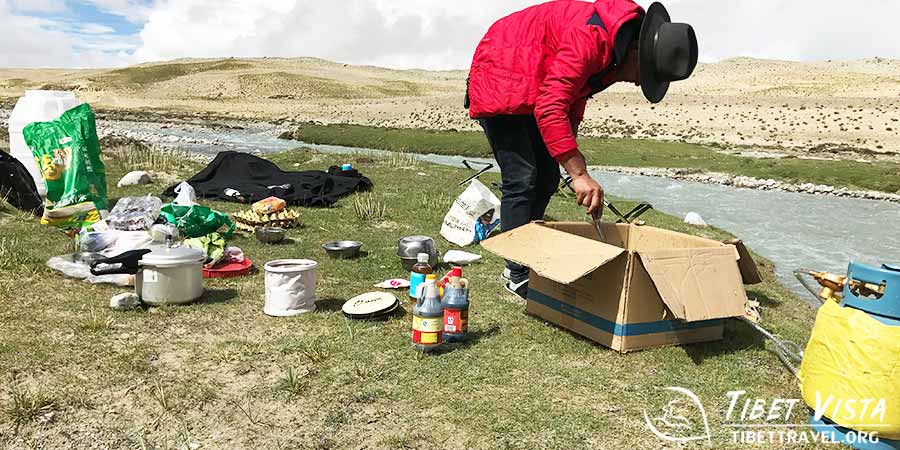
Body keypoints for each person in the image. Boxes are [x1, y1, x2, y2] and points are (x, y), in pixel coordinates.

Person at [466, 0, 698, 297]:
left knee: (547, 178)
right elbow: (551, 105)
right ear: (638, 53)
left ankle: (526, 249)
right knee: (522, 178)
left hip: (534, 86)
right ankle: (517, 270)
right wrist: (578, 173)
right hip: (501, 75)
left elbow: (573, 97)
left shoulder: (616, 47)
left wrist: (567, 157)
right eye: (645, 74)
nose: (639, 82)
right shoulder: (591, 39)